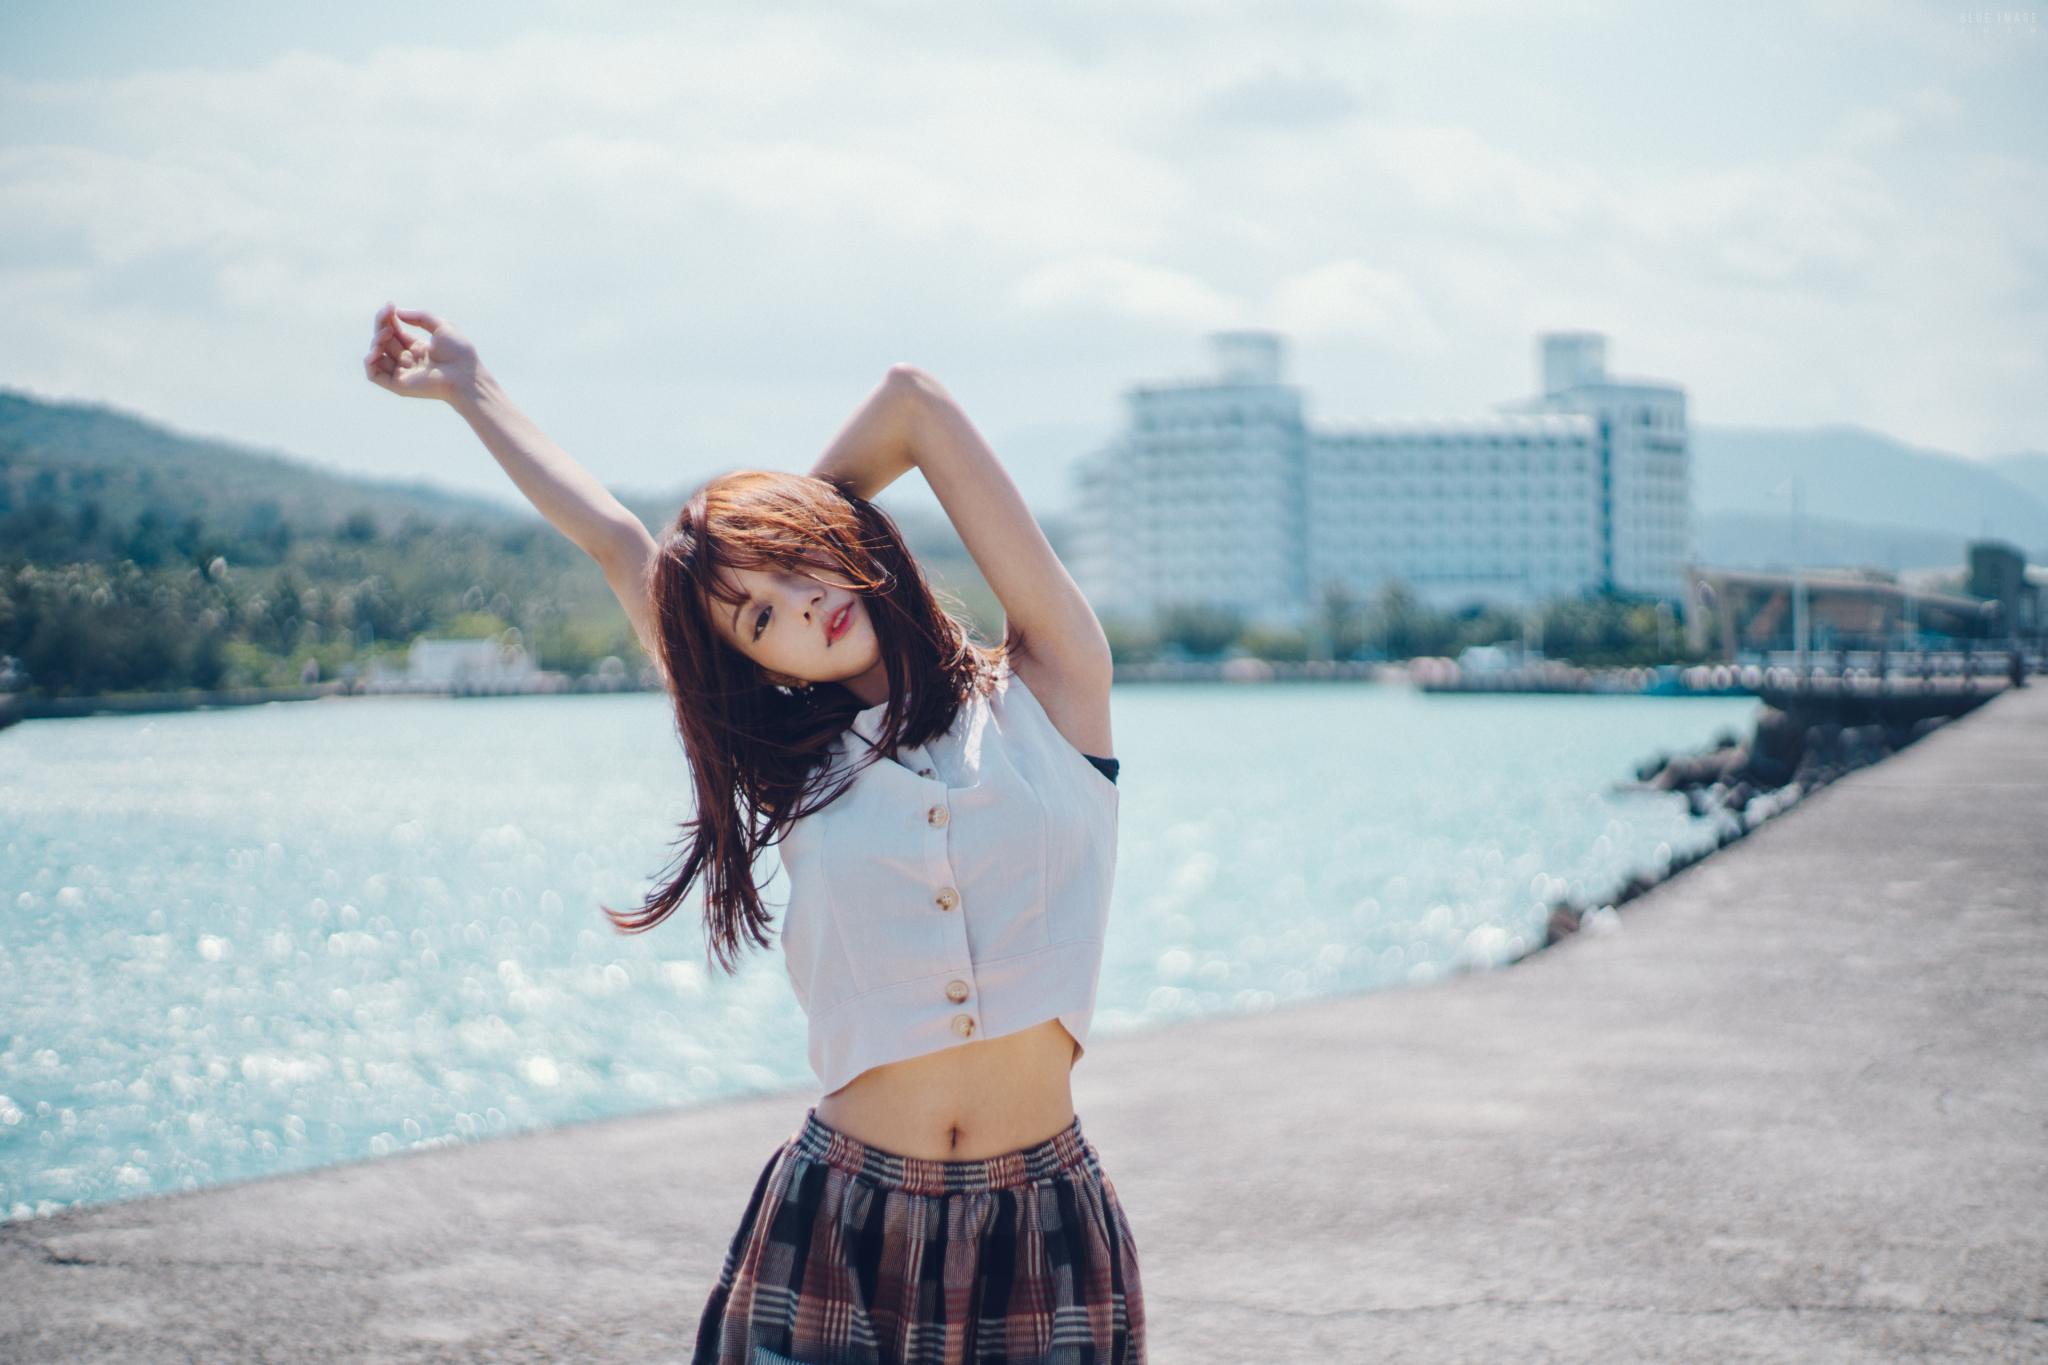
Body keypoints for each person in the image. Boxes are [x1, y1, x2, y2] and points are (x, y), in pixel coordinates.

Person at [364, 304, 1143, 1365]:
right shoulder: (794, 767)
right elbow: (615, 543)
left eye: (792, 565)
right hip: (842, 1219)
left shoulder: (1052, 694)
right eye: (755, 618)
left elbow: (911, 403)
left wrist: (765, 530)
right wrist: (469, 385)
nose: (794, 603)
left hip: (1040, 1229)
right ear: (752, 665)